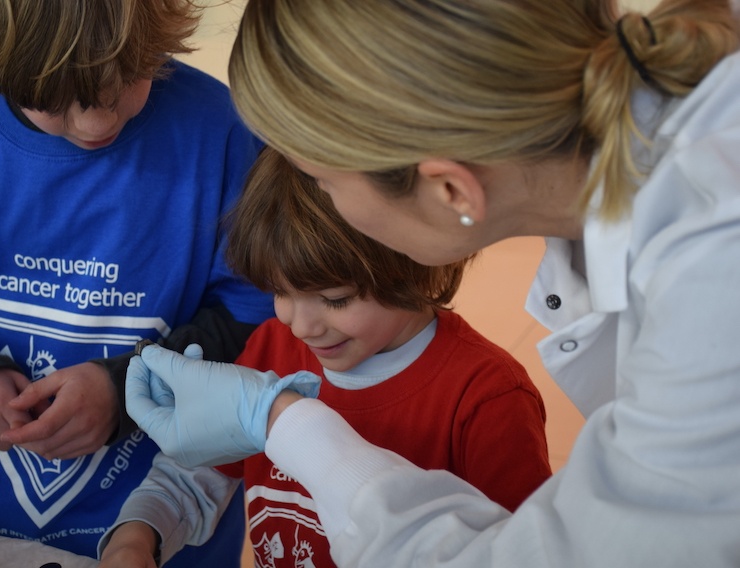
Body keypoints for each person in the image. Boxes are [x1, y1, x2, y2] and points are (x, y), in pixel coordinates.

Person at [124, 0, 740, 566]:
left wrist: (283, 422)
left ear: (450, 190)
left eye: (325, 182)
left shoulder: (715, 291)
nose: (320, 203)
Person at [0, 0, 275, 564]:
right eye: (51, 100)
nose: (97, 123)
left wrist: (130, 388)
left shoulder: (224, 134)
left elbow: (257, 322)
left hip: (161, 531)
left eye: (129, 81)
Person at [103, 146, 551, 568]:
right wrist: (137, 535)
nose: (301, 325)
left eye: (335, 299)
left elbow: (523, 550)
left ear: (421, 255)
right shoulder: (272, 347)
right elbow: (197, 476)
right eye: (280, 291)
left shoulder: (487, 397)